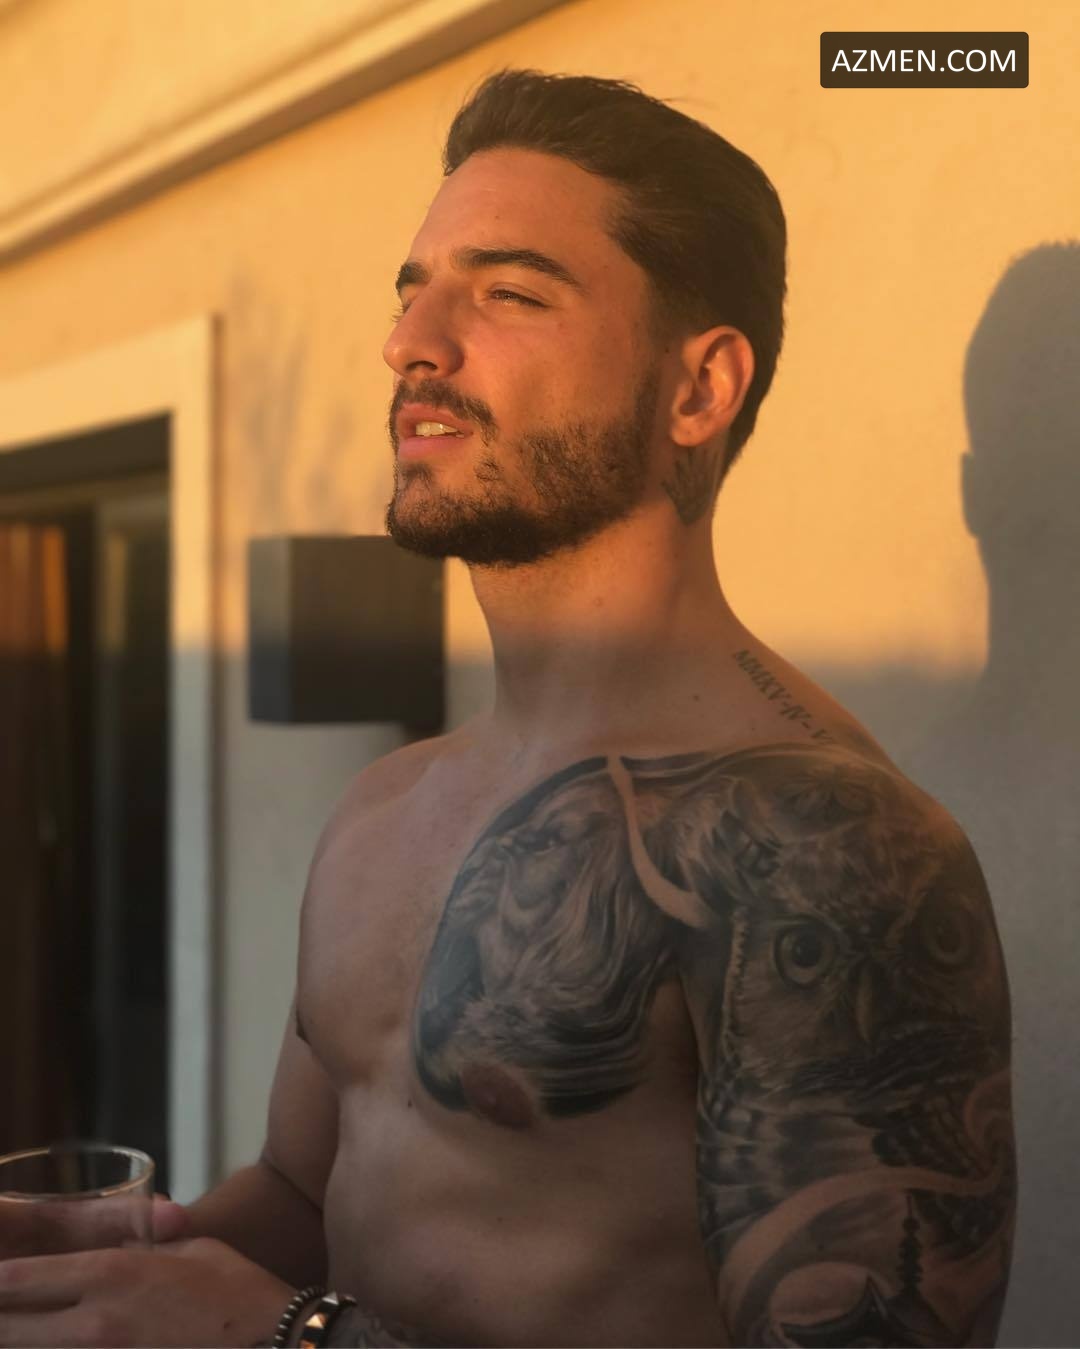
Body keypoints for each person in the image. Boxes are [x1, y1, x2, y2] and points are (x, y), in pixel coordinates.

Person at [0, 69, 1015, 1348]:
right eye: (412, 291)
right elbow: (310, 1195)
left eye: (510, 293)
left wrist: (287, 1336)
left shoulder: (827, 850)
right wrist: (118, 1260)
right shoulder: (384, 807)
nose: (412, 343)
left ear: (698, 390)